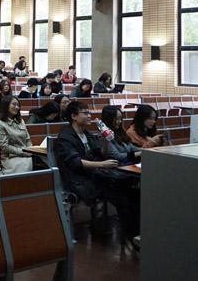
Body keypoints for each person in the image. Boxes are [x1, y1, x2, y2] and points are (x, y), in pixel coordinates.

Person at [56, 101, 141, 242]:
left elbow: (103, 154)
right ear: (74, 116)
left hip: (96, 175)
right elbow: (75, 163)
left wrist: (105, 141)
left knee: (135, 193)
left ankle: (140, 233)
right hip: (81, 180)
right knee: (123, 199)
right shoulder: (66, 137)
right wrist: (101, 164)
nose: (89, 115)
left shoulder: (87, 134)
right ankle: (132, 237)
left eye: (89, 112)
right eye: (85, 113)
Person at [0, 96, 33, 174]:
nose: (17, 107)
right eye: (14, 104)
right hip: (12, 157)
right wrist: (25, 153)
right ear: (6, 105)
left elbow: (28, 140)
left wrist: (31, 150)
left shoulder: (21, 121)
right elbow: (5, 147)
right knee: (27, 165)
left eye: (18, 105)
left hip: (27, 153)